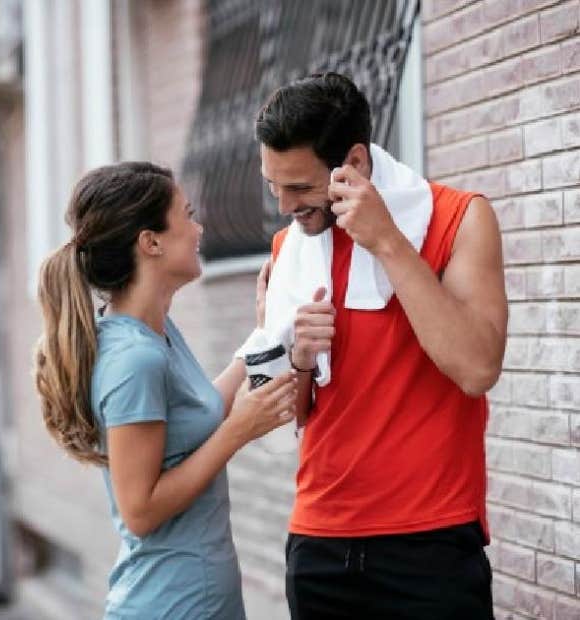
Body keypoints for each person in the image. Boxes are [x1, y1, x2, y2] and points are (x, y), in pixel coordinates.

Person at [254, 73, 507, 619]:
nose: (284, 206)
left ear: (355, 164)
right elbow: (289, 414)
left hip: (430, 544)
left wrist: (387, 241)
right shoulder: (290, 252)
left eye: (299, 187)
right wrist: (298, 359)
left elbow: (477, 367)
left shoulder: (459, 219)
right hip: (319, 545)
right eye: (273, 185)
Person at [33, 161, 298, 619]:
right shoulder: (133, 359)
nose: (198, 229)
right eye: (187, 215)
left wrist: (266, 334)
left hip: (202, 598)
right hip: (170, 605)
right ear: (150, 242)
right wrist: (239, 431)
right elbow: (140, 511)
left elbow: (198, 414)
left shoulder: (156, 333)